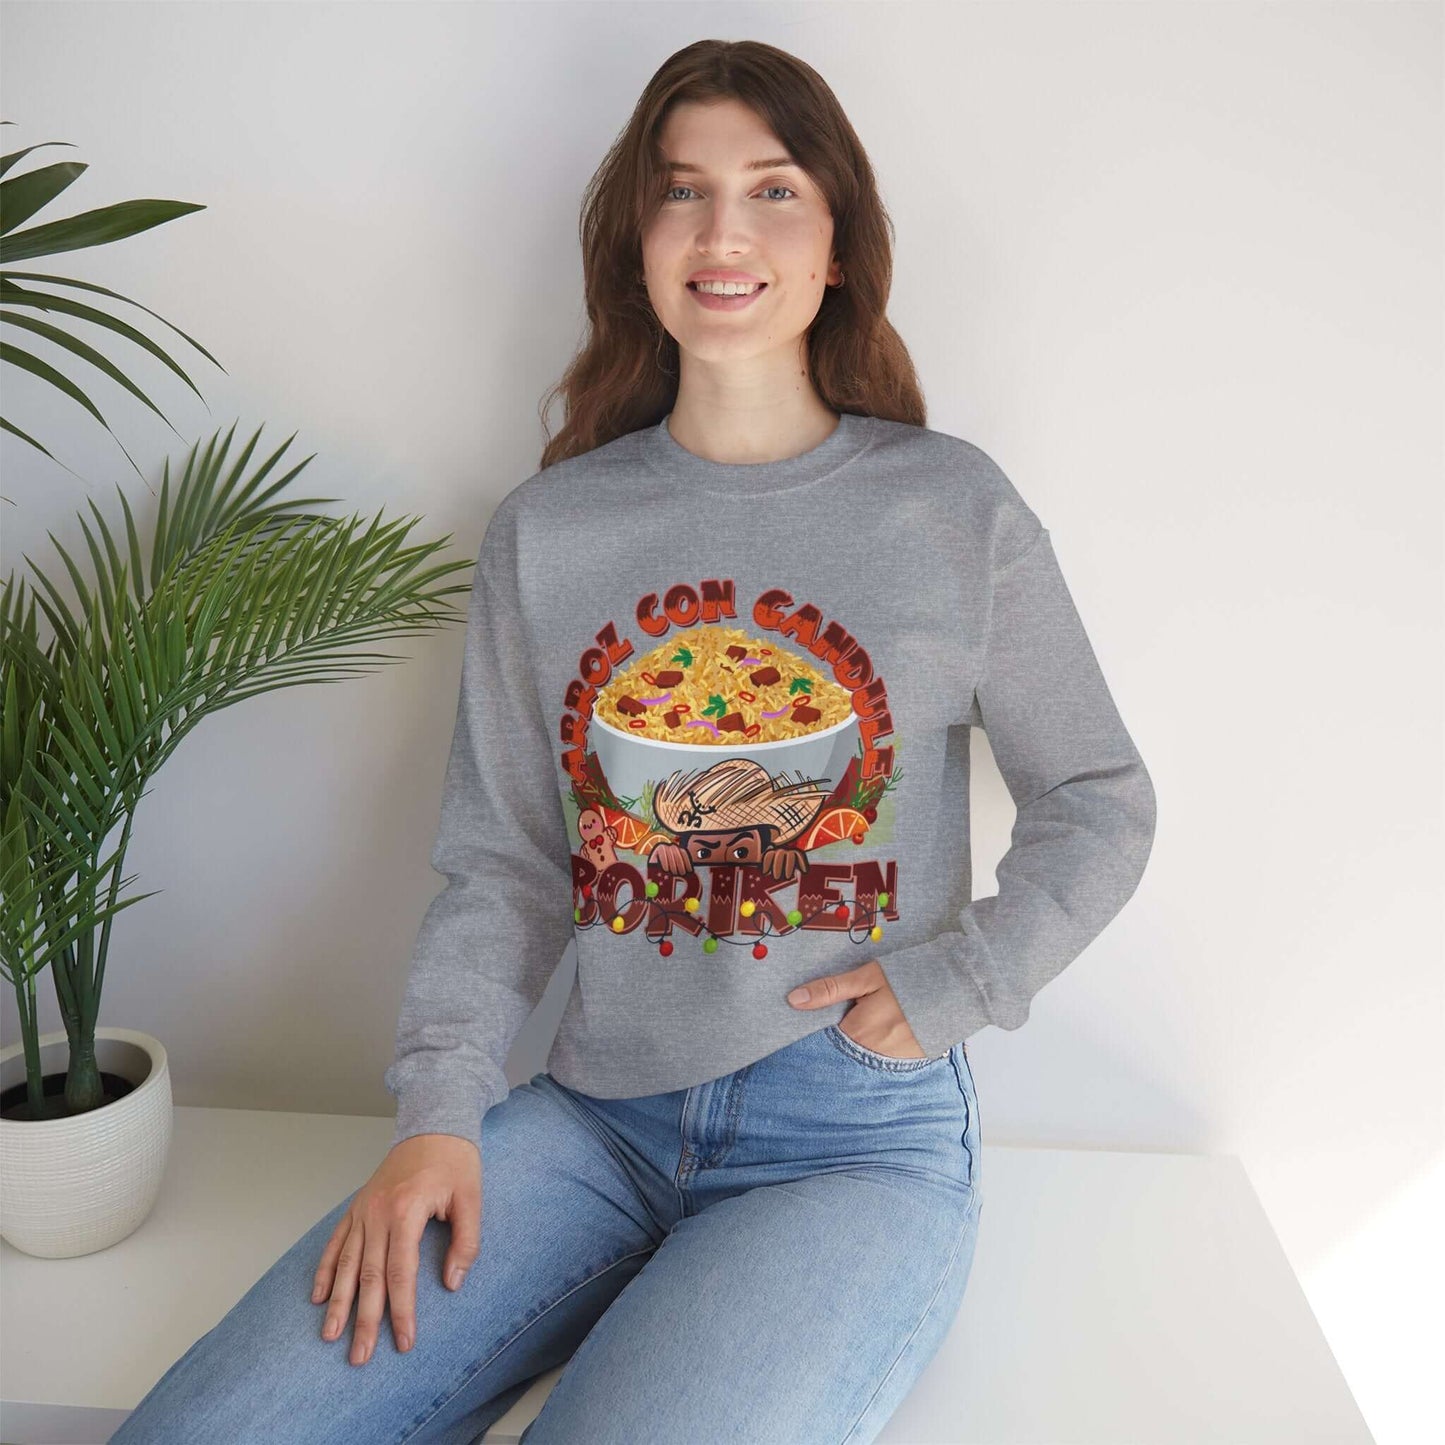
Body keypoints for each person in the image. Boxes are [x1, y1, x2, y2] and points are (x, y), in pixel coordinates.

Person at [111, 38, 1156, 1445]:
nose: (724, 232)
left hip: (847, 1141)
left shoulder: (948, 512)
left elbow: (1098, 795)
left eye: (772, 190)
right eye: (681, 192)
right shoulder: (552, 531)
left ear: (837, 242)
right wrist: (438, 1110)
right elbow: (504, 865)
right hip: (592, 1118)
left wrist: (964, 975)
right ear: (637, 242)